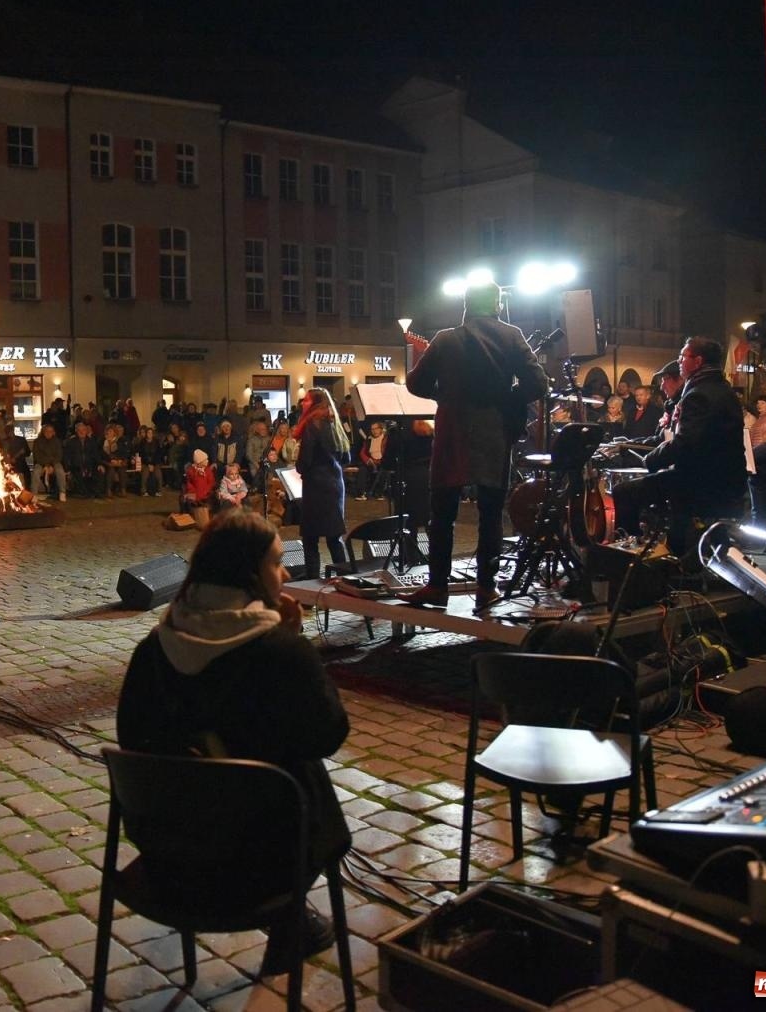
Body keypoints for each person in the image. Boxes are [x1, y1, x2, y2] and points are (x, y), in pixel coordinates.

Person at [115, 510, 349, 977]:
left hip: (168, 851)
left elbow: (130, 736)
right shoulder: (280, 654)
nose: (284, 575)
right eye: (277, 563)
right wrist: (290, 642)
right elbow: (328, 733)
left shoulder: (152, 650)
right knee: (301, 770)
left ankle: (292, 923)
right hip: (258, 864)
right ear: (249, 572)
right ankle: (291, 920)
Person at [404, 280, 548, 607]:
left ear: (466, 305)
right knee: (491, 513)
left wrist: (443, 395)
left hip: (452, 432)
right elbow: (538, 383)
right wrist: (507, 400)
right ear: (496, 305)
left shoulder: (445, 339)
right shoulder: (511, 335)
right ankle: (487, 587)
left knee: (442, 513)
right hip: (494, 433)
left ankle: (437, 585)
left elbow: (415, 383)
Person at [611, 337, 746, 552]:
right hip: (723, 479)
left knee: (624, 492)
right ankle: (674, 548)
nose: (679, 360)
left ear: (698, 361)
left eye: (683, 356)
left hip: (704, 482)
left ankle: (630, 553)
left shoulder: (699, 395)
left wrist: (652, 459)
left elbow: (685, 443)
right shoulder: (720, 388)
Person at [292, 387, 351, 582]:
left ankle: (312, 580)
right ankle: (344, 578)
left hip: (316, 486)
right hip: (335, 484)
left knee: (310, 537)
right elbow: (346, 457)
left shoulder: (312, 424)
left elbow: (305, 460)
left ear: (315, 402)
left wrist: (299, 467)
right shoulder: (334, 422)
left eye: (306, 400)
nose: (303, 403)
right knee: (334, 536)